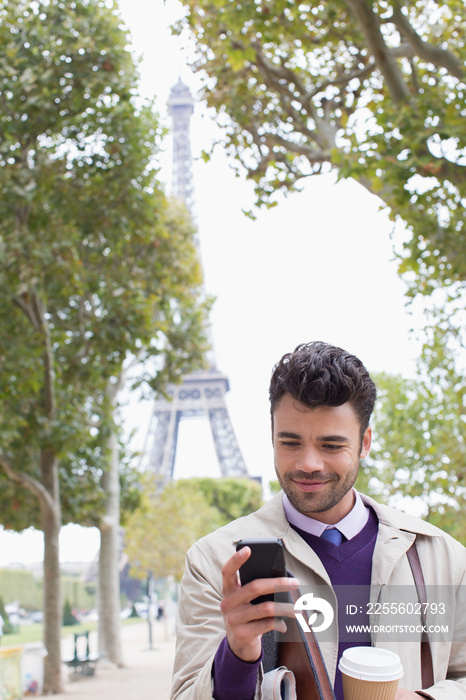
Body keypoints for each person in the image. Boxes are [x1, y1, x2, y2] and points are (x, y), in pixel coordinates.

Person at [171, 342, 466, 700]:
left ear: (365, 442)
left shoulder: (444, 558)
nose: (309, 463)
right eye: (291, 442)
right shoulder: (213, 561)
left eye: (331, 445)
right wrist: (236, 656)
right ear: (272, 437)